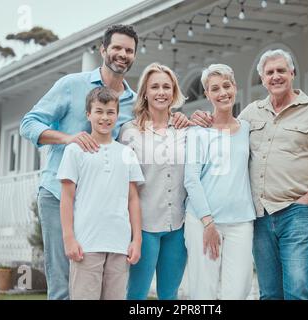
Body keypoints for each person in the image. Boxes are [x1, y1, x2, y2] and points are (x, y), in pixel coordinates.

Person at [20, 24, 189, 300]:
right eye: (117, 48)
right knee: (63, 284)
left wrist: (180, 118)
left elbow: (157, 122)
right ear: (103, 50)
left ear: (134, 56)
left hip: (101, 210)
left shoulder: (134, 103)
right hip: (58, 194)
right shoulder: (71, 85)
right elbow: (28, 124)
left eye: (128, 50)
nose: (122, 54)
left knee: (103, 287)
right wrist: (68, 139)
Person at [192, 50, 308, 300]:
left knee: (296, 289)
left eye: (281, 70)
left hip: (296, 212)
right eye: (269, 72)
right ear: (262, 79)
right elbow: (228, 136)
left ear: (292, 73)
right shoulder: (251, 113)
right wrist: (201, 119)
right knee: (269, 292)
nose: (275, 76)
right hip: (260, 215)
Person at [57, 87, 144, 300]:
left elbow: (133, 199)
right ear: (89, 114)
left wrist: (137, 240)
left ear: (117, 115)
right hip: (86, 245)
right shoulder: (75, 150)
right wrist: (69, 238)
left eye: (110, 112)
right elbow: (67, 197)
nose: (105, 117)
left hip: (119, 244)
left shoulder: (126, 153)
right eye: (99, 111)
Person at [184, 64, 256, 300]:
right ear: (207, 94)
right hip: (203, 221)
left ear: (235, 87)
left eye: (227, 86)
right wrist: (208, 223)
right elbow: (191, 179)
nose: (223, 92)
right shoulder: (198, 131)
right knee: (203, 291)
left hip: (241, 221)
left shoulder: (247, 128)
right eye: (215, 88)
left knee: (238, 291)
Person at [119, 63, 189, 300]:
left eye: (166, 87)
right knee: (136, 294)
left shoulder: (184, 129)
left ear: (174, 92)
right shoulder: (129, 132)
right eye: (155, 86)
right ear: (145, 92)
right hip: (144, 226)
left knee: (170, 295)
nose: (161, 92)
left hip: (178, 226)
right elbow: (123, 184)